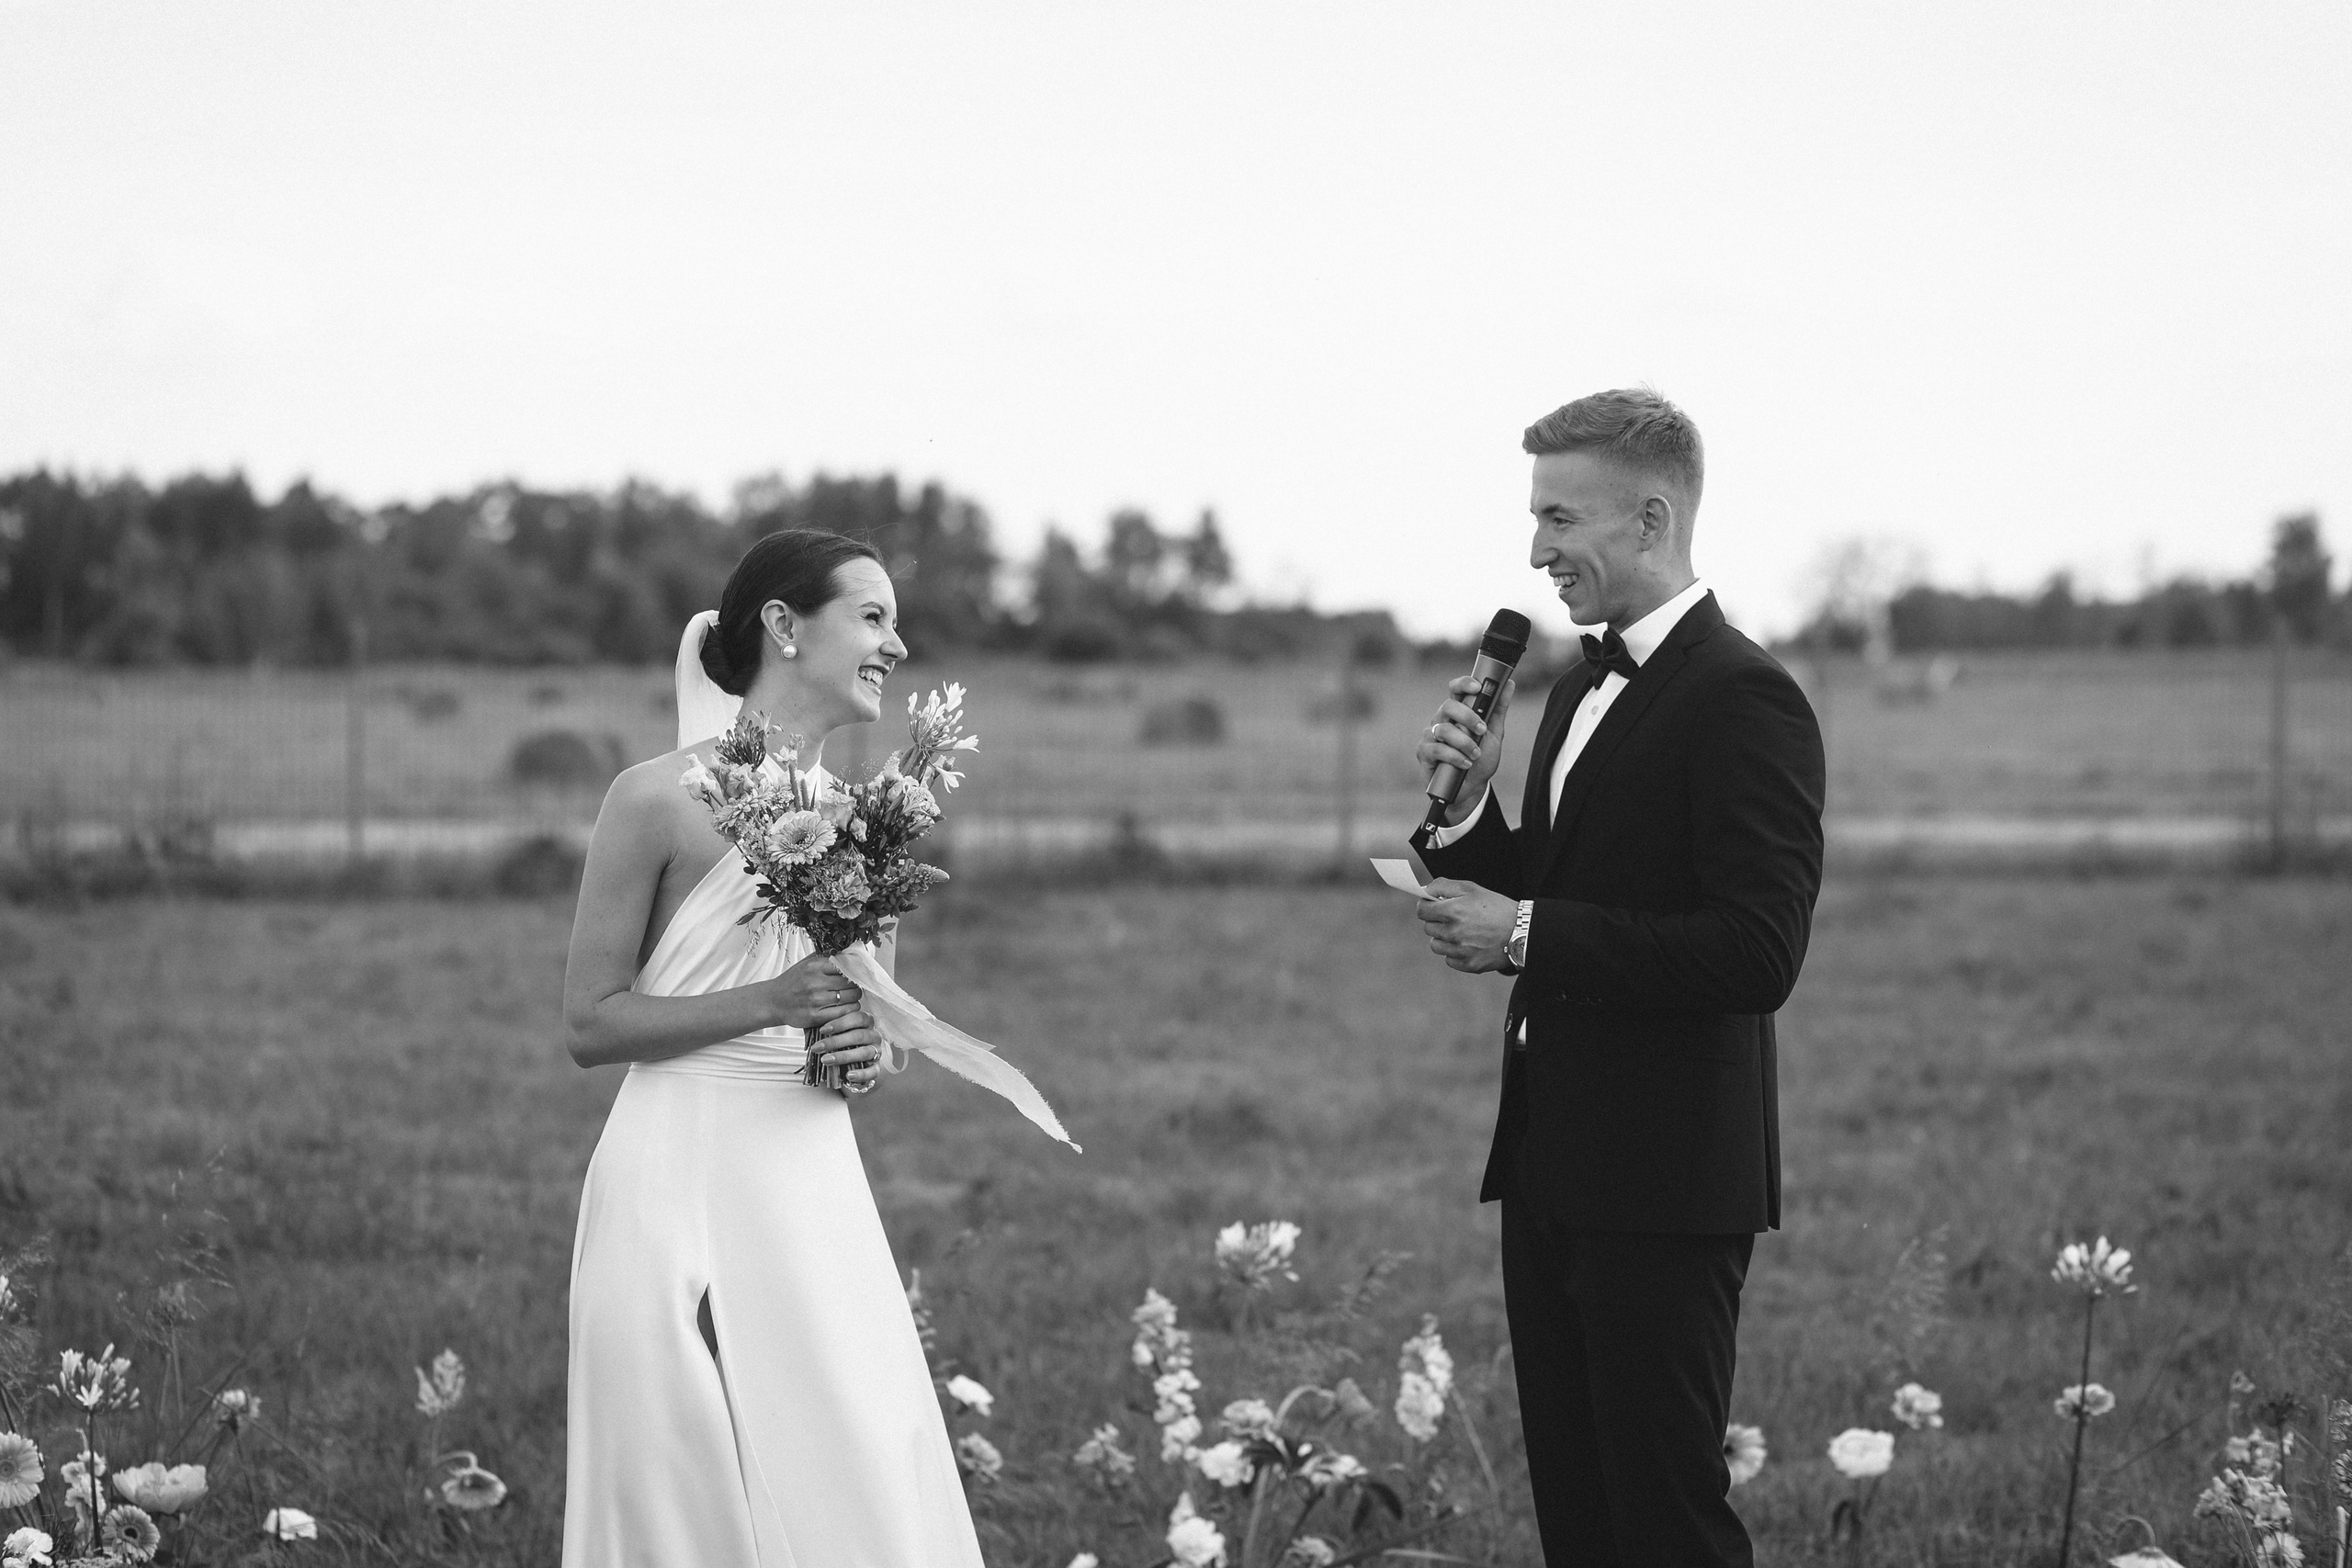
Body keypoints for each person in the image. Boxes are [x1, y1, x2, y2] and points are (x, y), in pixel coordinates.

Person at [1410, 389, 1826, 1568]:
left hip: (1665, 1180)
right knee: (1581, 1520)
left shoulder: (1744, 697)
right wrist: (1473, 807)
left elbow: (1757, 952)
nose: (1536, 550)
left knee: (1666, 1522)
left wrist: (1526, 931)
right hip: (1550, 1166)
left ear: (1649, 519)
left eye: (1558, 518)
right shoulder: (1565, 690)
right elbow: (1557, 884)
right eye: (1533, 517)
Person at [560, 529, 984, 1566]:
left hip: (813, 1186)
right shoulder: (654, 797)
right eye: (872, 616)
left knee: (852, 1458)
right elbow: (590, 1023)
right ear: (785, 628)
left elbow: (875, 1033)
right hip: (675, 1177)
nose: (895, 643)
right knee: (684, 1470)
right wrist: (773, 1001)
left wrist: (865, 1051)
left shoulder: (868, 821)